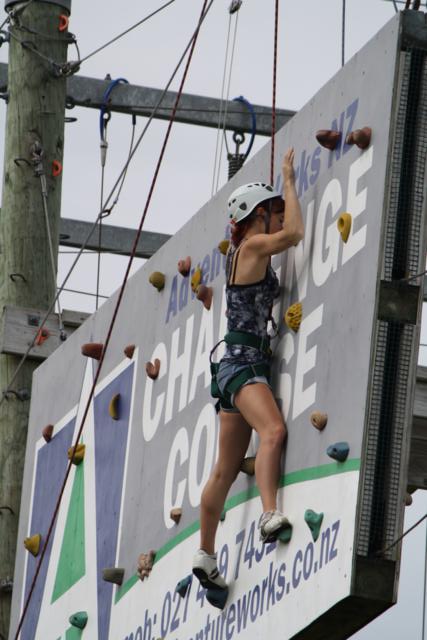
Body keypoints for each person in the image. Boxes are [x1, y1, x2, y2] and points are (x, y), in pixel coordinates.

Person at [192, 148, 304, 591]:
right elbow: (294, 234)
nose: (280, 216)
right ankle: (269, 514)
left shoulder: (241, 253)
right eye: (273, 210)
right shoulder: (254, 245)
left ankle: (205, 553)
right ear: (259, 215)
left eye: (279, 208)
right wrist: (290, 181)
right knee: (273, 432)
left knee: (225, 467)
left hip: (232, 366)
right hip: (244, 364)